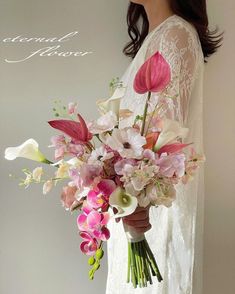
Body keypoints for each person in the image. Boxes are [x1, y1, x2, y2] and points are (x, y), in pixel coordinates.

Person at [105, 1, 222, 293]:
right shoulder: (158, 36)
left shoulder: (175, 36)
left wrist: (136, 197)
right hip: (135, 211)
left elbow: (165, 142)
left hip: (148, 215)